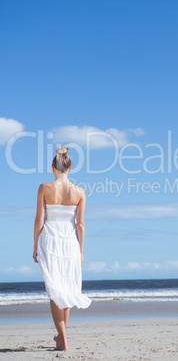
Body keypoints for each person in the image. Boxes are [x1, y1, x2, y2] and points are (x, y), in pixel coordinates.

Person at [33, 147, 92, 351]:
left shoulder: (44, 188)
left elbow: (40, 219)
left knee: (55, 291)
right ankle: (61, 335)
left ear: (53, 168)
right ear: (70, 168)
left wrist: (35, 246)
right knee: (66, 289)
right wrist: (81, 251)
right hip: (70, 242)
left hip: (50, 240)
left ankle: (63, 338)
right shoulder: (79, 192)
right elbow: (81, 225)